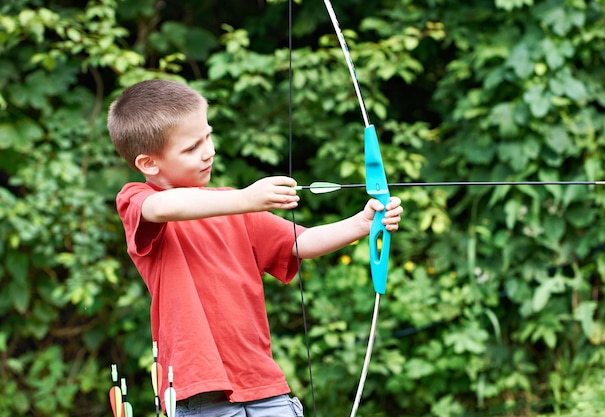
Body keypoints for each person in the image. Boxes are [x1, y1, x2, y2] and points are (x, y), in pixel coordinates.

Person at [107, 78, 403, 417]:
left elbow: (300, 242)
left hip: (263, 384)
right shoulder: (137, 200)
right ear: (148, 164)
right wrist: (246, 198)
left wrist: (361, 224)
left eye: (208, 136)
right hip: (200, 392)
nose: (209, 151)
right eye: (191, 148)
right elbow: (162, 208)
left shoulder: (235, 207)